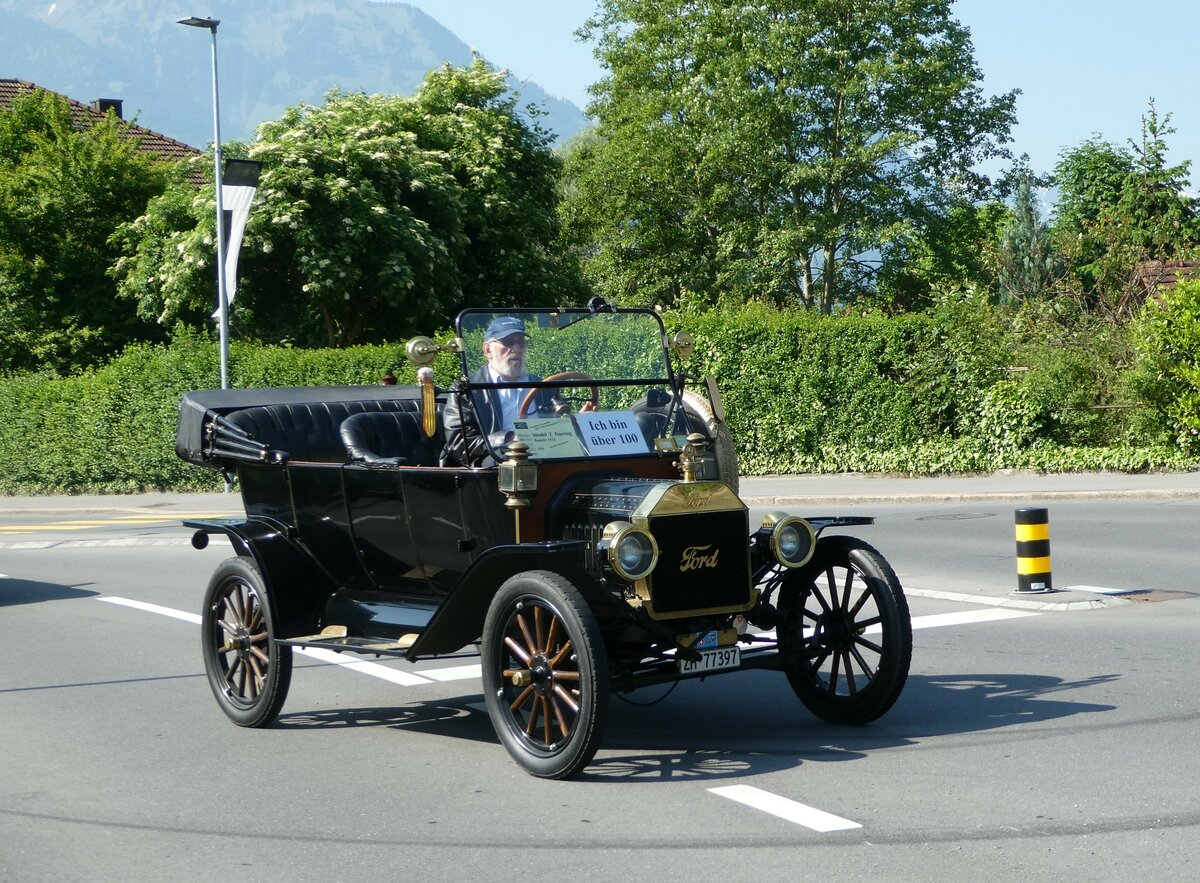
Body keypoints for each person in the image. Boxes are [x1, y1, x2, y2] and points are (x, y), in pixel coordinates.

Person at [443, 316, 556, 466]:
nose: (516, 349)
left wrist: (578, 421)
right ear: (487, 349)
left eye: (521, 342)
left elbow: (559, 430)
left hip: (546, 460)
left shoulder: (543, 387)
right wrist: (509, 439)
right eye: (508, 342)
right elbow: (460, 443)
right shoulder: (468, 391)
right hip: (495, 464)